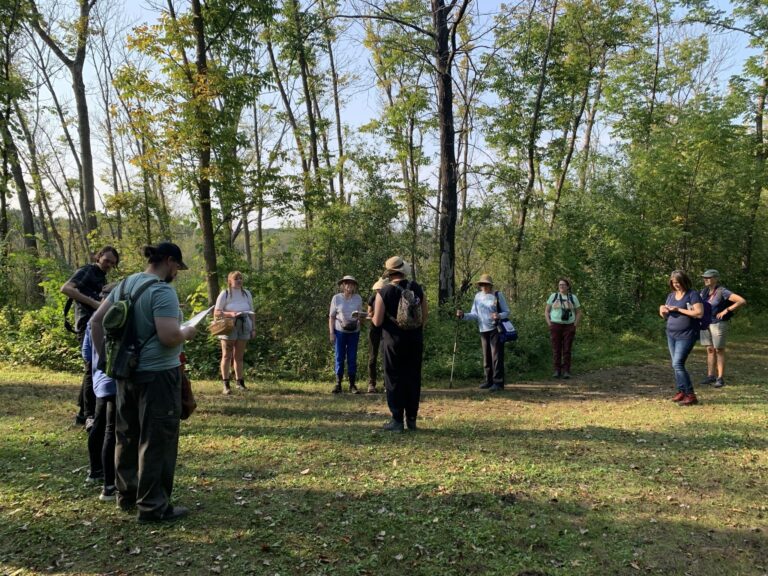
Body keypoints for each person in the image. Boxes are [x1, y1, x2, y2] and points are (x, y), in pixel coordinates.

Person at [90, 242, 197, 523]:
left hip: (127, 374)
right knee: (157, 439)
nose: (177, 272)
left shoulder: (124, 285)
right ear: (170, 262)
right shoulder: (162, 291)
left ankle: (126, 496)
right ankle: (152, 506)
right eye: (177, 267)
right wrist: (189, 330)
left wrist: (105, 361)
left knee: (127, 436)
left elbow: (95, 322)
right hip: (159, 376)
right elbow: (169, 336)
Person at [61, 246, 120, 427]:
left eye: (112, 263)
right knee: (91, 369)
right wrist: (96, 304)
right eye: (106, 260)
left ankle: (82, 413)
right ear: (98, 257)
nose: (108, 264)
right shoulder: (87, 270)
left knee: (92, 368)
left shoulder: (101, 276)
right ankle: (89, 416)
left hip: (94, 325)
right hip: (87, 325)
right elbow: (66, 288)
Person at [372, 256, 427, 432]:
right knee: (412, 378)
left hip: (392, 342)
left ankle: (396, 420)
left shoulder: (384, 292)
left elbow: (377, 321)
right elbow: (424, 316)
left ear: (389, 273)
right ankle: (412, 419)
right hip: (415, 340)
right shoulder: (417, 288)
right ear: (403, 270)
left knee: (394, 378)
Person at [81, 283, 117, 501]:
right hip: (112, 381)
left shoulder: (92, 319)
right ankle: (109, 486)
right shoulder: (114, 318)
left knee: (100, 424)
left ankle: (95, 471)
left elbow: (86, 352)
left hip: (99, 381)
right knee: (111, 431)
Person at [456, 274, 510, 391]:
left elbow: (507, 311)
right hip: (483, 330)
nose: (484, 286)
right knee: (487, 357)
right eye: (482, 284)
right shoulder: (478, 297)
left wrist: (499, 315)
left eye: (486, 284)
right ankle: (488, 381)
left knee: (496, 357)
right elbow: (474, 314)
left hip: (496, 329)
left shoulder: (497, 295)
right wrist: (463, 315)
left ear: (490, 285)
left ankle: (498, 383)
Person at [659, 270, 703, 406]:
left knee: (677, 364)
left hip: (687, 334)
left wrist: (678, 310)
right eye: (673, 282)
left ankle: (691, 395)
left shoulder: (692, 295)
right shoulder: (671, 296)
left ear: (684, 281)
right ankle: (681, 391)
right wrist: (662, 310)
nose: (676, 285)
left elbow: (698, 313)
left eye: (678, 282)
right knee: (676, 365)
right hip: (671, 333)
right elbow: (665, 315)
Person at [699, 269, 747, 388]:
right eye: (704, 277)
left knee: (719, 350)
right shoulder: (703, 292)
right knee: (709, 350)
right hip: (705, 324)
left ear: (715, 278)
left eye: (708, 277)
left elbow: (741, 301)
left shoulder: (722, 291)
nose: (706, 279)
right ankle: (711, 376)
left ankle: (720, 378)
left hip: (718, 324)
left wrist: (726, 310)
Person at [214, 271, 256, 395]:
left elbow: (252, 312)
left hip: (244, 325)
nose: (239, 280)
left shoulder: (247, 293)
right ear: (230, 281)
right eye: (236, 278)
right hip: (229, 325)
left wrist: (253, 328)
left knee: (239, 356)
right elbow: (216, 312)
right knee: (227, 355)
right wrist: (230, 314)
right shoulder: (225, 293)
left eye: (241, 278)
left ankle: (240, 382)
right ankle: (226, 384)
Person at [329, 275, 365, 394]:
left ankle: (352, 384)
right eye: (347, 283)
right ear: (343, 285)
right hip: (340, 331)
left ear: (355, 286)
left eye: (352, 284)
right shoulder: (336, 298)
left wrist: (361, 318)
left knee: (352, 357)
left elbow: (360, 315)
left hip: (354, 331)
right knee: (339, 356)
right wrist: (331, 333)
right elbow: (332, 317)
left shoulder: (358, 298)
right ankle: (338, 383)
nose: (349, 285)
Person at [545, 278, 582, 379]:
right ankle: (557, 370)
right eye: (560, 285)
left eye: (563, 285)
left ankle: (566, 370)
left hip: (569, 325)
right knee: (556, 348)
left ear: (568, 286)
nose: (561, 286)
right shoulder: (554, 296)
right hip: (555, 325)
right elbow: (546, 311)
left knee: (567, 349)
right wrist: (550, 324)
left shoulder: (573, 297)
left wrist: (575, 325)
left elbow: (579, 312)